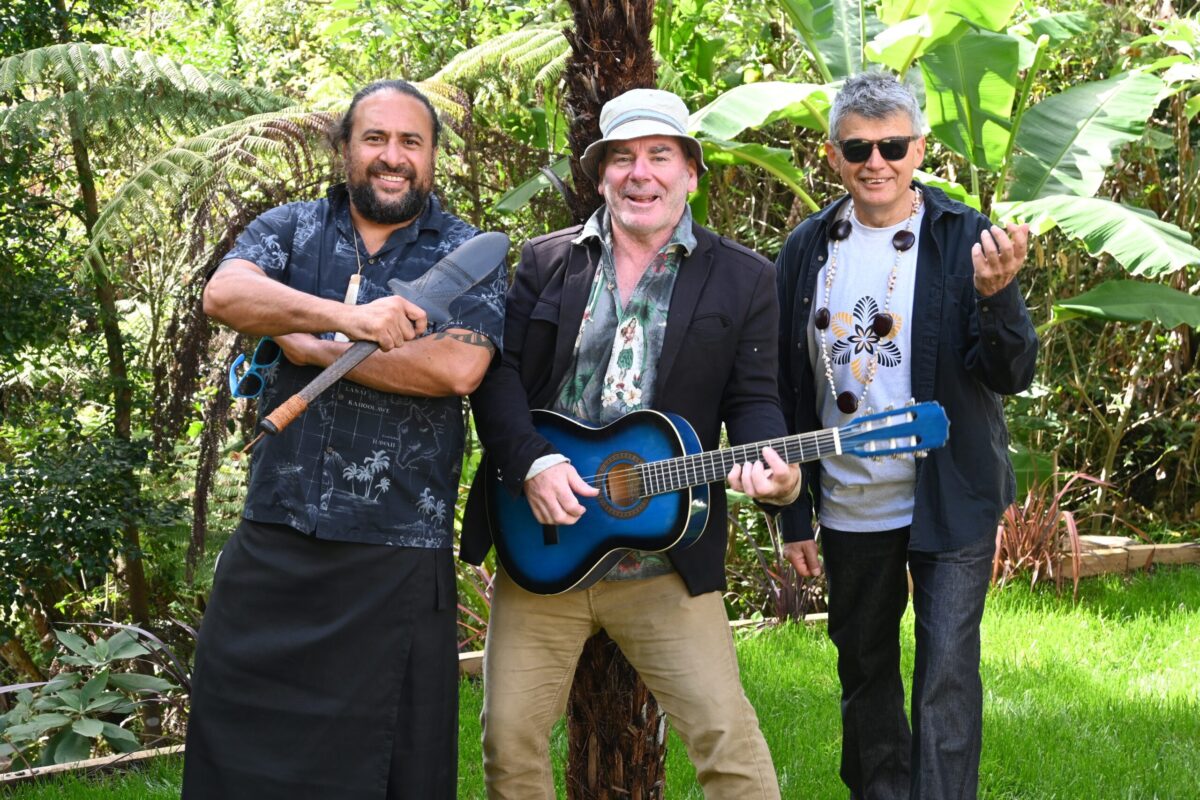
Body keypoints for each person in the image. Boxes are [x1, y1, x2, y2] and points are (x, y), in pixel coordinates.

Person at [461, 88, 799, 800]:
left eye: (659, 156)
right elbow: (496, 377)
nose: (640, 174)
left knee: (727, 740)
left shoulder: (745, 278)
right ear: (601, 176)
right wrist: (530, 462)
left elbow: (754, 399)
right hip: (542, 550)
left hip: (664, 562)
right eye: (622, 158)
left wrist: (776, 472)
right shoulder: (545, 261)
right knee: (508, 739)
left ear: (690, 173)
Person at [182, 80, 507, 800]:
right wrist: (349, 320)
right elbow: (225, 295)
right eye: (375, 138)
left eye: (411, 141)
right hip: (277, 531)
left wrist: (311, 346)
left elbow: (456, 368)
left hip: (397, 545)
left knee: (390, 766)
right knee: (239, 750)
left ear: (432, 156)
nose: (393, 156)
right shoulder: (291, 228)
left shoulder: (468, 251)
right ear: (345, 149)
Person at [774, 71, 1038, 799]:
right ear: (833, 155)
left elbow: (1011, 372)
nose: (876, 162)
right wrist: (791, 514)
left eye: (892, 145)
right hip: (851, 504)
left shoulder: (964, 237)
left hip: (950, 496)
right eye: (858, 147)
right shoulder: (806, 249)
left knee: (946, 675)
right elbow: (786, 388)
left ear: (918, 149)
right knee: (865, 675)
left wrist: (1000, 299)